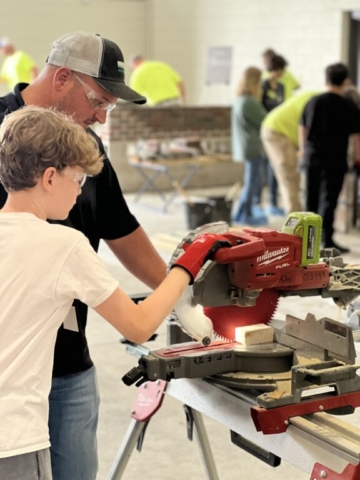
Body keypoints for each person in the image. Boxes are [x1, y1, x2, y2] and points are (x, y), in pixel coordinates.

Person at [0, 105, 228, 480]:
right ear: (50, 177)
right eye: (78, 179)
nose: (80, 191)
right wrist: (187, 266)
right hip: (15, 440)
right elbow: (138, 326)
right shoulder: (64, 244)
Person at [0, 31, 169, 480]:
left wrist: (178, 295)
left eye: (109, 107)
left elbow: (121, 228)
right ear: (62, 79)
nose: (100, 115)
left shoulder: (85, 145)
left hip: (68, 364)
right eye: (98, 100)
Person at [299, 63, 360, 254]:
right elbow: (357, 137)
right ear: (345, 81)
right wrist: (358, 160)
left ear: (326, 79)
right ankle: (328, 240)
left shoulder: (313, 101)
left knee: (311, 198)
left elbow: (303, 128)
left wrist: (303, 152)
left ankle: (306, 243)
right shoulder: (348, 105)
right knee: (329, 201)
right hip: (335, 160)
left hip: (312, 157)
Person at [260, 90, 319, 215]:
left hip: (281, 129)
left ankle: (297, 217)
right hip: (277, 130)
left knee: (292, 177)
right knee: (289, 177)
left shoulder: (318, 96)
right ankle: (296, 221)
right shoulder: (319, 102)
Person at [231, 67, 268, 226]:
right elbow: (266, 120)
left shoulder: (239, 99)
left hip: (244, 146)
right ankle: (244, 213)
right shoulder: (250, 102)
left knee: (250, 181)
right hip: (252, 146)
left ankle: (242, 212)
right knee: (252, 182)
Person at [257, 54, 287, 216]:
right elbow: (259, 107)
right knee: (262, 168)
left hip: (278, 130)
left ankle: (274, 202)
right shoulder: (263, 86)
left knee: (275, 167)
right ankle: (258, 202)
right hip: (265, 130)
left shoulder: (281, 87)